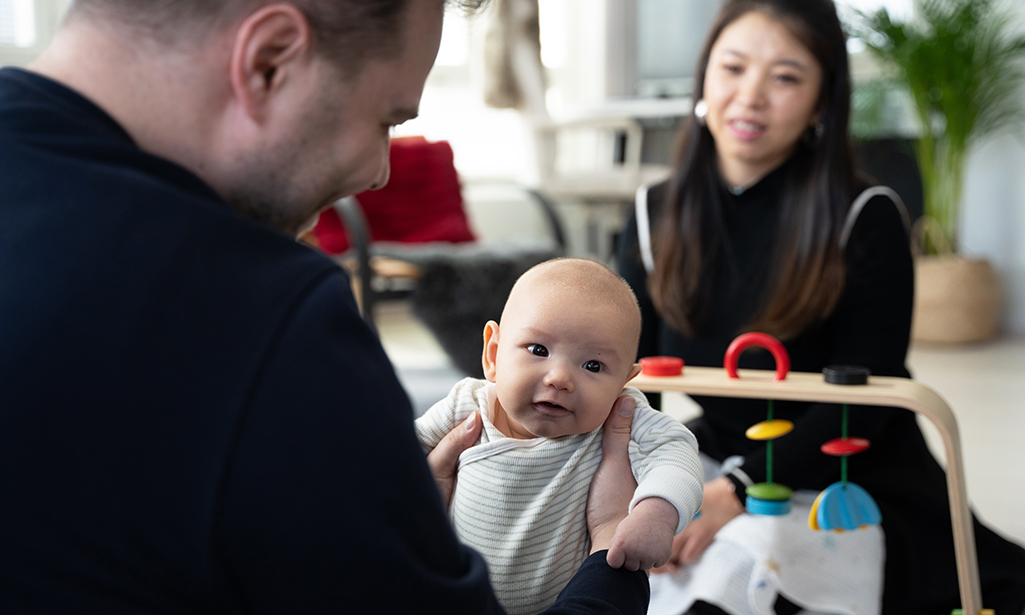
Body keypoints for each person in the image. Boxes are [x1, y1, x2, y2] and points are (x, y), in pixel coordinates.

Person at [0, 1, 652, 613]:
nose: (378, 171)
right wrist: (608, 551)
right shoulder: (269, 323)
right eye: (386, 121)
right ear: (270, 61)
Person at [615, 0, 1025, 614]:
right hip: (717, 452)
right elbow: (638, 383)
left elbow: (866, 400)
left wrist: (738, 492)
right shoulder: (653, 213)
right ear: (705, 78)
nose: (750, 96)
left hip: (848, 470)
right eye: (733, 68)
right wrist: (646, 488)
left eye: (785, 77)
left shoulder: (866, 214)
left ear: (821, 103)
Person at [416, 258, 705, 614]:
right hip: (459, 598)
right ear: (492, 354)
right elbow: (398, 452)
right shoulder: (468, 403)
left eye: (593, 366)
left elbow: (676, 453)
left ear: (623, 383)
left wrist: (657, 514)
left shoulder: (620, 417)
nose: (559, 378)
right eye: (538, 350)